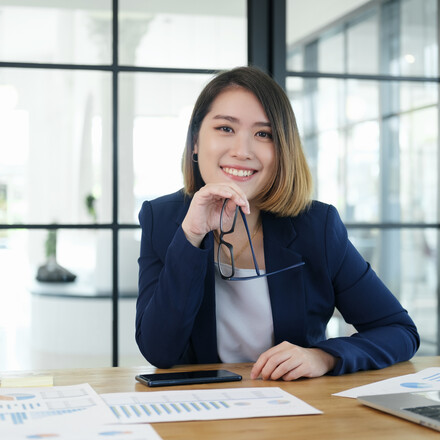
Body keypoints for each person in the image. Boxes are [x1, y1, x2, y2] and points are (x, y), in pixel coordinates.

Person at [136, 66, 419, 381]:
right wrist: (191, 236)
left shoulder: (317, 226)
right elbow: (159, 351)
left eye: (263, 134)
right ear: (195, 143)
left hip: (294, 407)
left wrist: (324, 356)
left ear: (281, 150)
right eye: (225, 129)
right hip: (202, 410)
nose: (242, 151)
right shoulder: (162, 219)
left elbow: (399, 330)